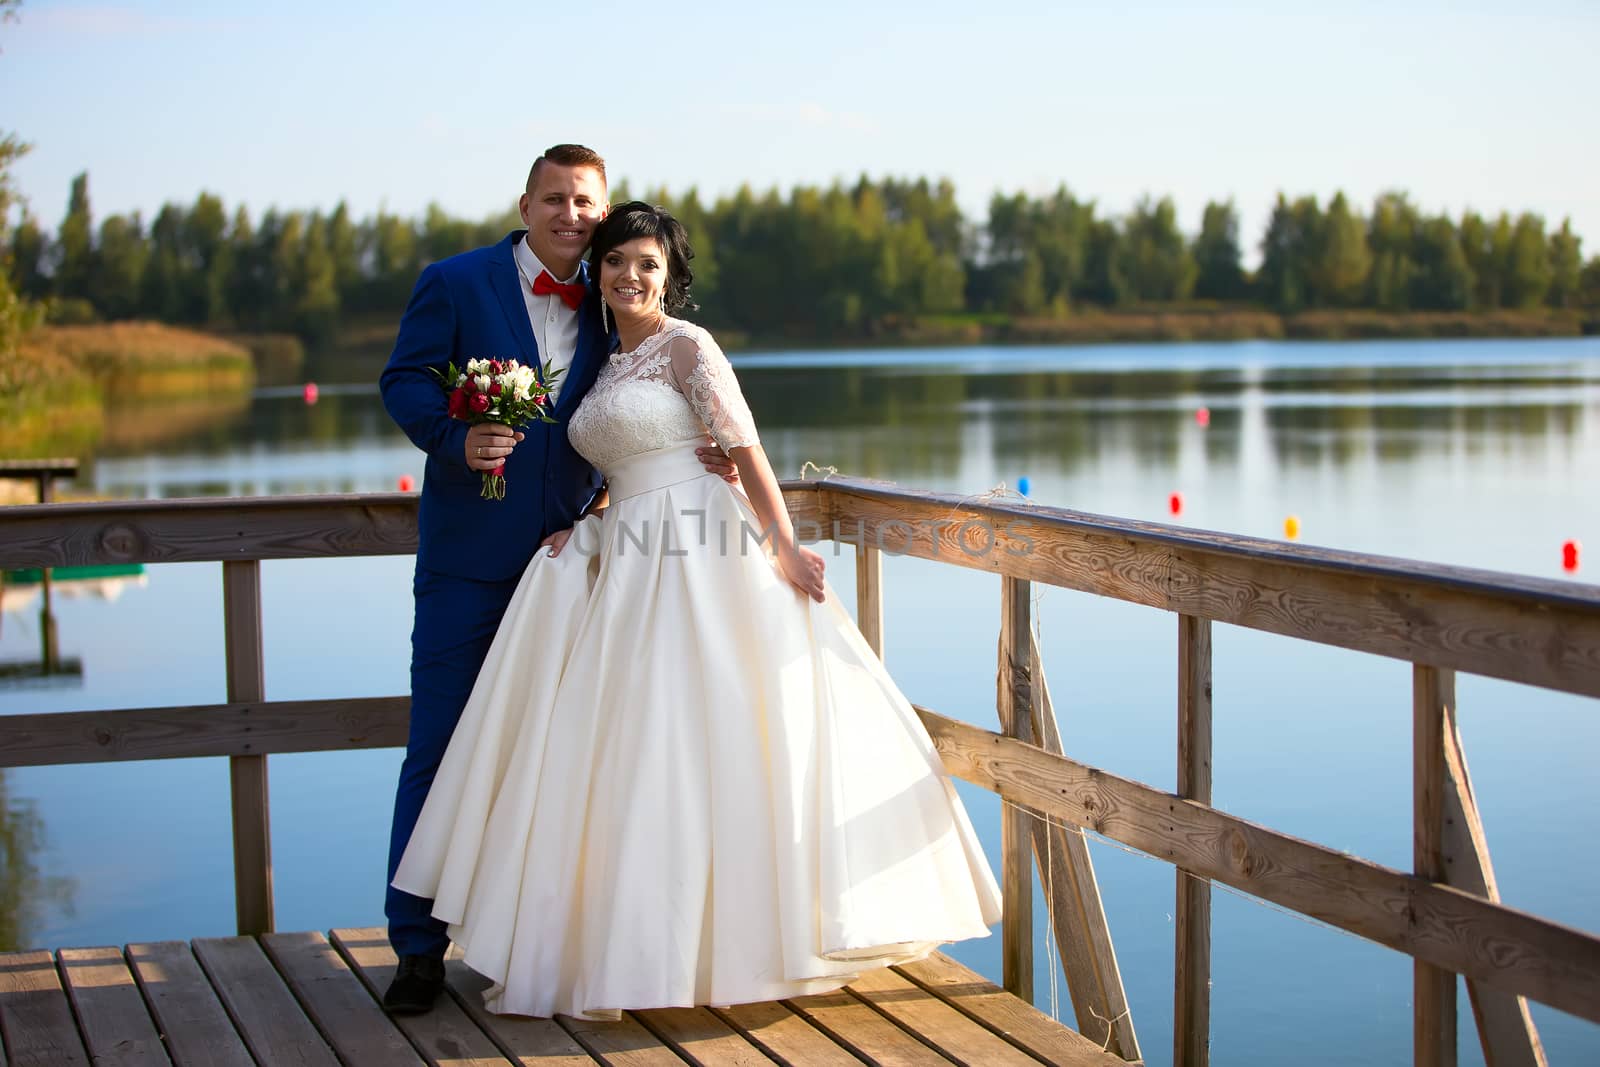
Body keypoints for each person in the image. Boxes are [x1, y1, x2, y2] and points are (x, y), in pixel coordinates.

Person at [392, 202, 1001, 1019]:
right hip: (629, 555)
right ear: (597, 274)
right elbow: (619, 459)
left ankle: (744, 941)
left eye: (647, 264)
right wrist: (597, 520)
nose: (630, 276)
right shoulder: (609, 359)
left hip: (701, 552)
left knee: (716, 733)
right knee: (637, 747)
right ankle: (640, 943)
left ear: (671, 275)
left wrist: (783, 545)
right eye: (616, 263)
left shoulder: (688, 344)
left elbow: (742, 445)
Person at [378, 150, 733, 1015]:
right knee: (440, 746)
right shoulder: (456, 282)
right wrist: (455, 440)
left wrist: (686, 461)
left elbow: (643, 404)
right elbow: (404, 380)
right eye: (555, 198)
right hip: (466, 562)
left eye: (586, 201)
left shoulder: (618, 305)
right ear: (526, 203)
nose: (570, 214)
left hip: (576, 565)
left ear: (602, 210)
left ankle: (540, 934)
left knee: (568, 752)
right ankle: (418, 948)